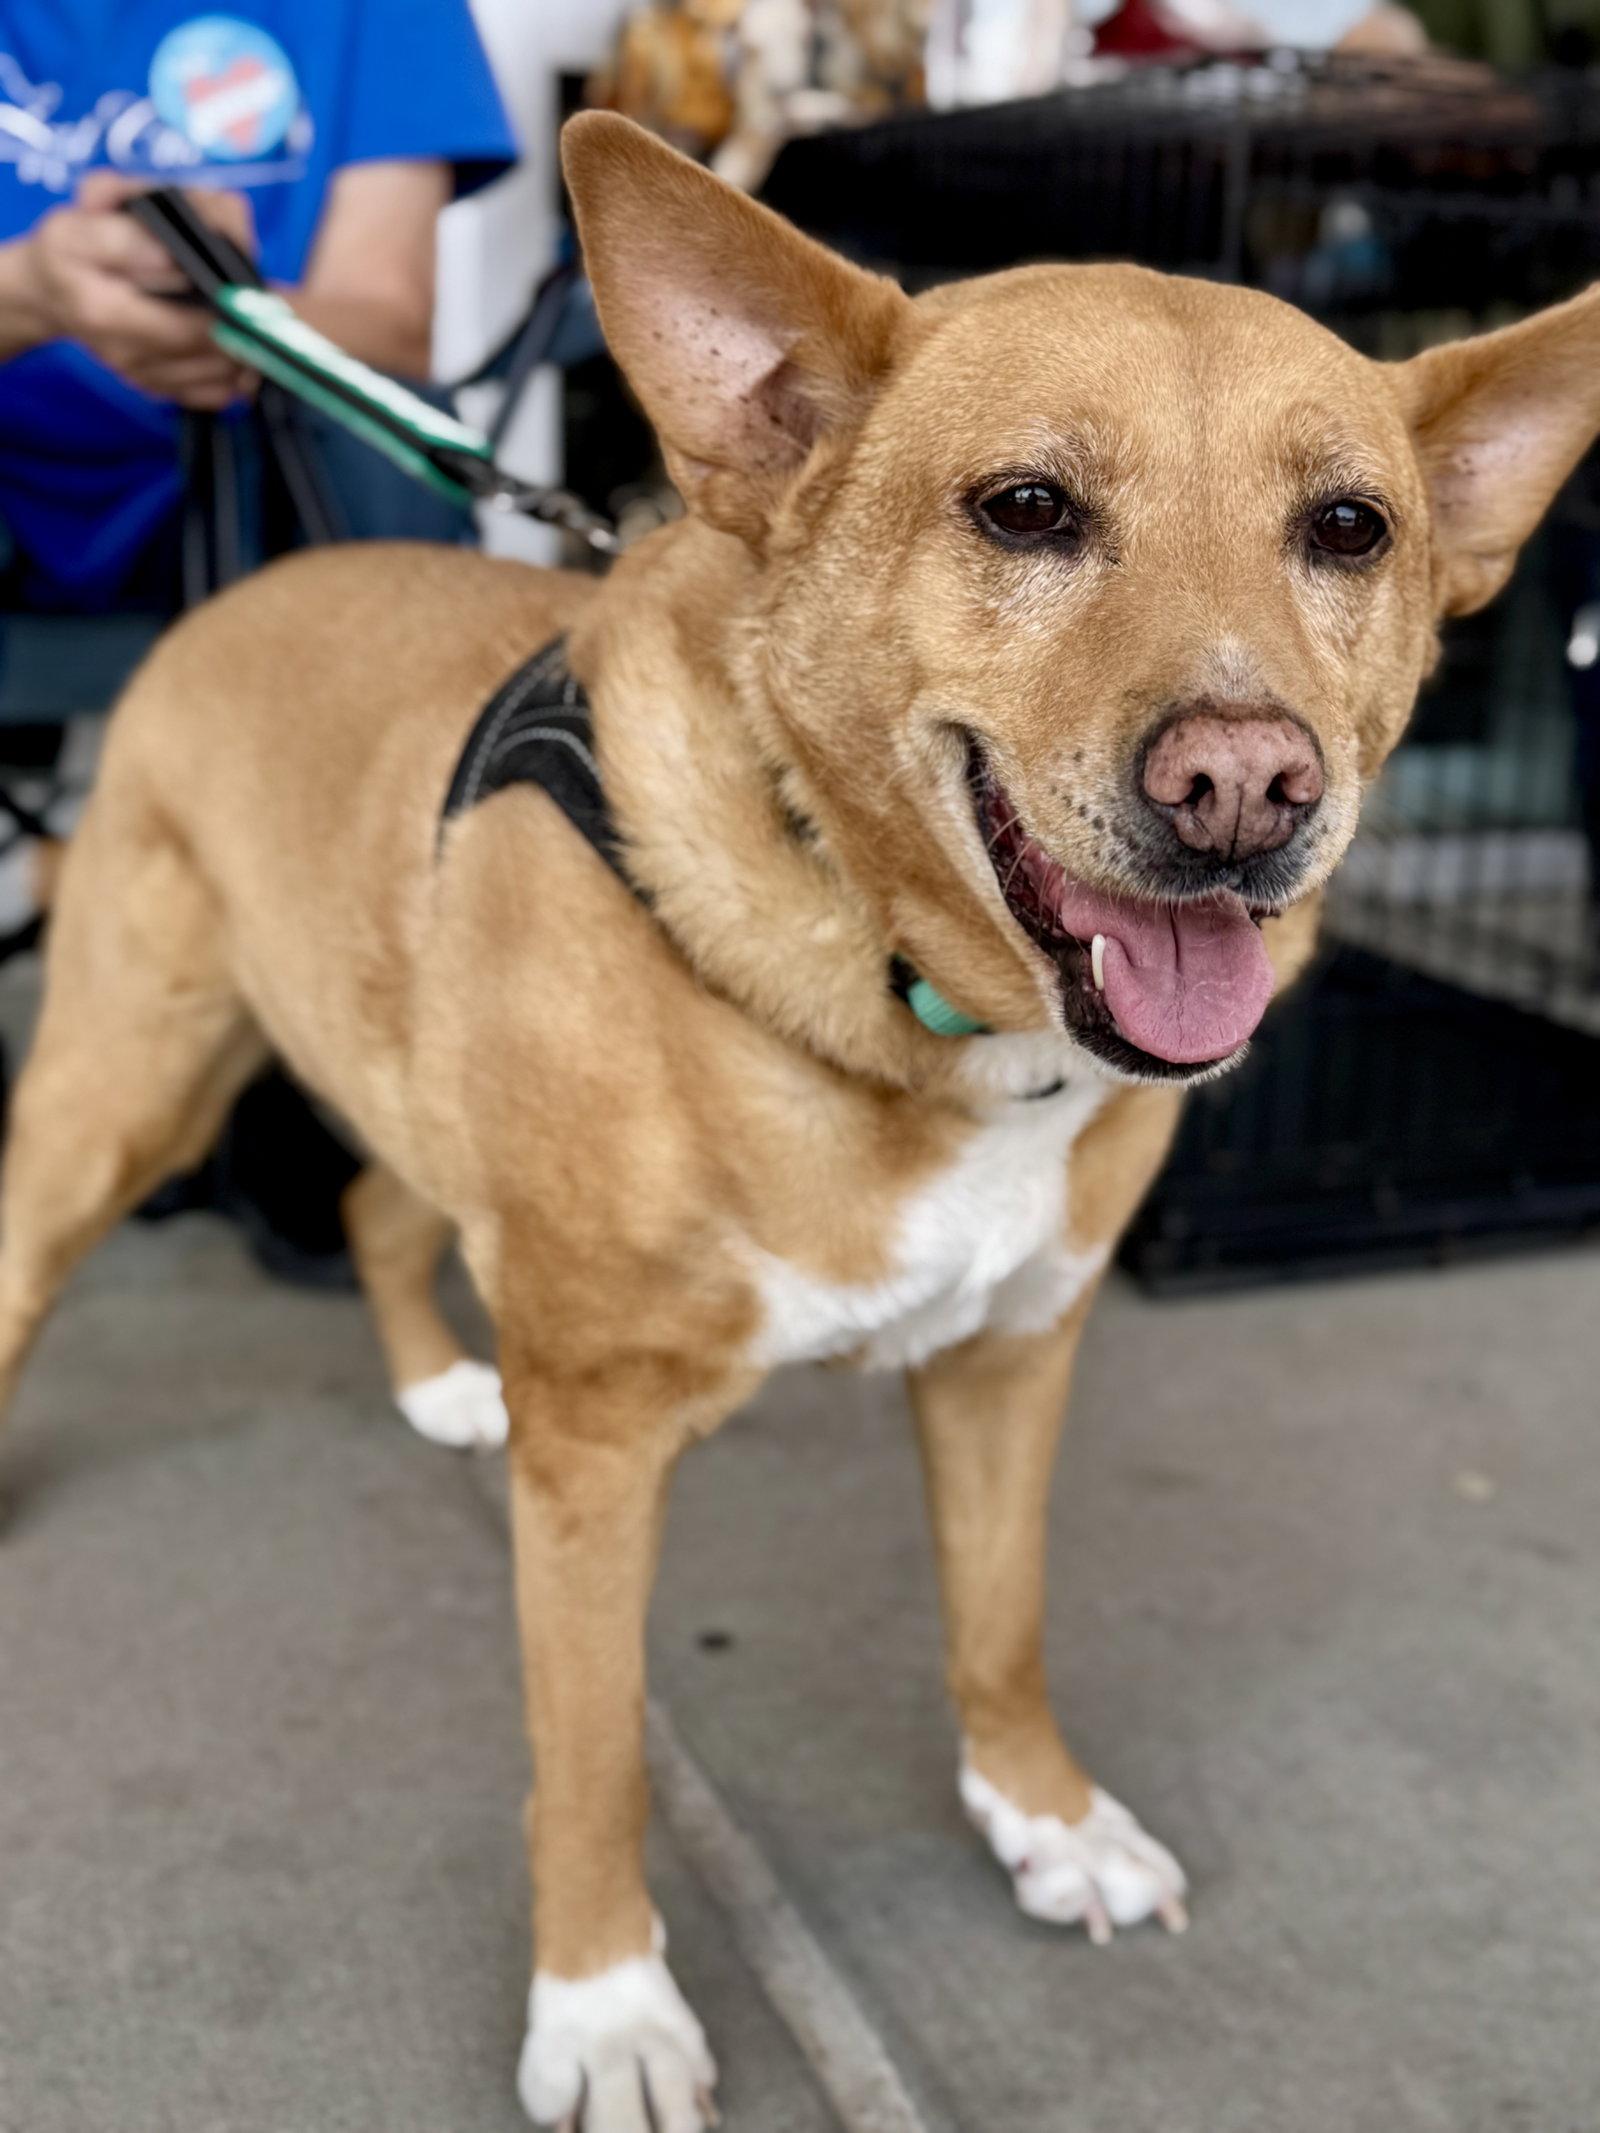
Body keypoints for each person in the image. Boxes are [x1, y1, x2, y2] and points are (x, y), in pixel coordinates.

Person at [0, 2, 517, 1280]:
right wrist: (34, 288)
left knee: (387, 438)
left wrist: (232, 313)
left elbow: (388, 320)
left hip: (271, 477)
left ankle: (310, 1073)